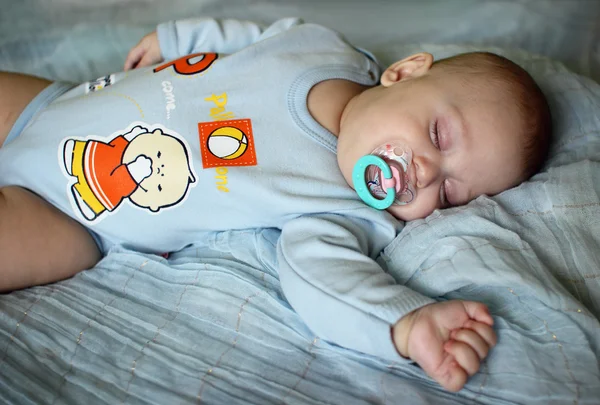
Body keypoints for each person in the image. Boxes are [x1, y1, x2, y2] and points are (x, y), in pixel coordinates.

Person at [0, 18, 551, 392]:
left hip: (70, 216)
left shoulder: (341, 210)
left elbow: (322, 279)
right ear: (404, 72)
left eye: (451, 192)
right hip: (60, 102)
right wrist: (176, 36)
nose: (427, 172)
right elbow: (250, 37)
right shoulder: (322, 48)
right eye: (437, 133)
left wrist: (402, 323)